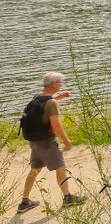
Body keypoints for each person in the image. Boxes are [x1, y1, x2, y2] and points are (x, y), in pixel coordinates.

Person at [17, 72, 86, 214]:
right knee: (61, 168)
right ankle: (68, 199)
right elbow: (56, 126)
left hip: (34, 141)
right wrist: (66, 140)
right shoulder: (51, 103)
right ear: (54, 84)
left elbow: (42, 108)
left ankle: (25, 202)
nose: (61, 84)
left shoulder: (37, 97)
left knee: (35, 169)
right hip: (46, 142)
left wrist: (58, 98)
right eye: (60, 82)